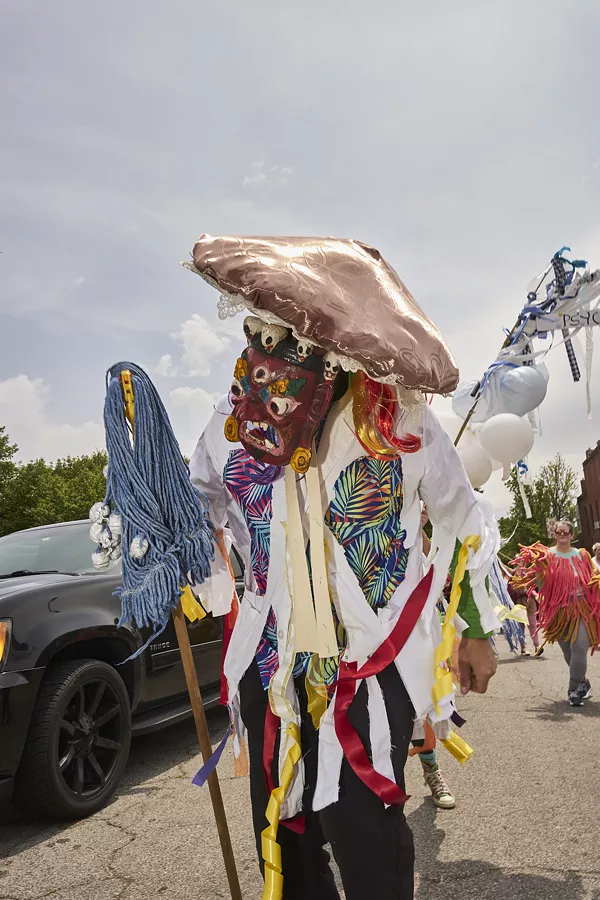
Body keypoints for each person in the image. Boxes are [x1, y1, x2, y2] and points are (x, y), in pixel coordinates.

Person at [187, 234, 500, 900]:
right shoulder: (227, 424)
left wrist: (472, 625)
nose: (267, 356)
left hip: (365, 674)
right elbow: (197, 503)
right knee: (285, 845)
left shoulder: (403, 423)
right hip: (271, 673)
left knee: (369, 847)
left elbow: (462, 519)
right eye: (258, 337)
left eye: (288, 341)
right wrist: (169, 546)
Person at [512, 521, 600, 706]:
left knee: (579, 646)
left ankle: (573, 689)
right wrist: (540, 574)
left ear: (571, 534)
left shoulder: (582, 555)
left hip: (582, 607)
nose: (561, 534)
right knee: (568, 652)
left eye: (564, 531)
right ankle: (583, 682)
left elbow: (592, 578)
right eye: (558, 531)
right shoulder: (547, 556)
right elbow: (542, 586)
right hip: (558, 611)